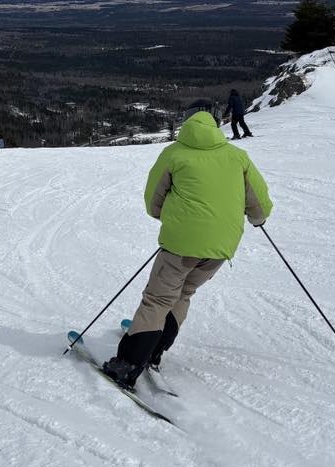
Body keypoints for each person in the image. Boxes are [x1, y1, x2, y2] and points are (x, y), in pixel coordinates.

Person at [102, 110, 272, 388]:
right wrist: (257, 219)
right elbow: (259, 203)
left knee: (158, 299)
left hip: (180, 244)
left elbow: (153, 199)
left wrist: (168, 219)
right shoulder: (237, 156)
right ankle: (155, 349)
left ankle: (128, 364)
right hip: (220, 247)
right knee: (183, 293)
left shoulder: (174, 153)